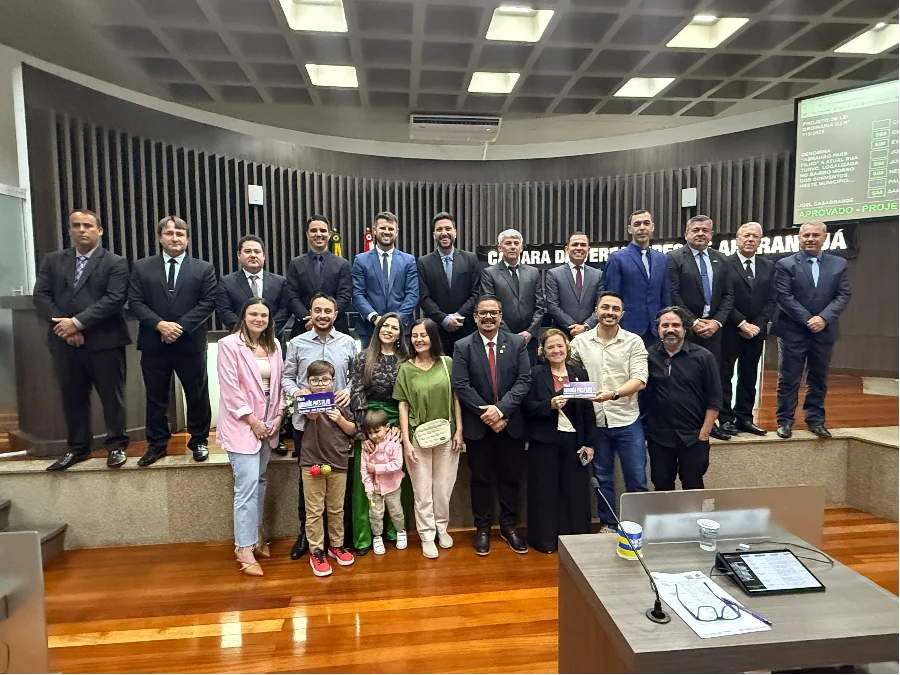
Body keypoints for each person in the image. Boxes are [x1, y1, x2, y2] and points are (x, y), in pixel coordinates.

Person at [34, 209, 131, 471]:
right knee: (73, 397)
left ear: (99, 230)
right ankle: (77, 448)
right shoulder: (53, 261)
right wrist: (66, 326)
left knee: (112, 397)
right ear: (69, 230)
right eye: (76, 225)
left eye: (88, 225)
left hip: (105, 341)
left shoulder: (115, 263)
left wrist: (77, 323)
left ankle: (116, 446)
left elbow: (114, 299)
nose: (82, 230)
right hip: (64, 341)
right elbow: (41, 295)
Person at [128, 215, 217, 466]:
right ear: (160, 237)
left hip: (190, 342)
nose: (174, 238)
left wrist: (180, 327)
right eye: (169, 233)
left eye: (180, 234)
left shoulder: (203, 268)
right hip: (154, 342)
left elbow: (208, 302)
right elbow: (135, 302)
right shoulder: (142, 267)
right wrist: (159, 324)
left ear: (187, 239)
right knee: (156, 396)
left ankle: (198, 441)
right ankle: (157, 444)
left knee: (197, 394)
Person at [452, 295, 532, 556]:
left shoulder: (517, 343)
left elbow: (524, 380)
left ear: (500, 316)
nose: (488, 317)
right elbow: (461, 385)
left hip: (510, 423)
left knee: (511, 478)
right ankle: (483, 528)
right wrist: (488, 414)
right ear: (475, 317)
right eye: (483, 313)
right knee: (481, 480)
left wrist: (500, 410)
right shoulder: (463, 346)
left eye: (493, 313)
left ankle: (509, 526)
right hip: (479, 427)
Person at [281, 293, 358, 560]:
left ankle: (337, 539)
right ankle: (308, 535)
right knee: (308, 481)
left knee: (337, 479)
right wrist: (296, 393)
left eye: (327, 311)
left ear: (335, 314)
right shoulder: (296, 343)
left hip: (337, 424)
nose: (322, 315)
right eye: (317, 310)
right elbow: (286, 377)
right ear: (310, 313)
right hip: (307, 424)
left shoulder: (348, 343)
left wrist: (348, 390)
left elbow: (356, 377)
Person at [216, 298, 285, 577]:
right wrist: (252, 421)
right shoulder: (228, 345)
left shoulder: (274, 344)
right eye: (253, 314)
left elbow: (279, 385)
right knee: (245, 488)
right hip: (243, 424)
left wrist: (279, 415)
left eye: (264, 315)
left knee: (260, 480)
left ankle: (256, 537)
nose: (259, 319)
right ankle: (243, 548)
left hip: (269, 424)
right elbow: (230, 389)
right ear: (243, 316)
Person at [570, 293, 648, 533]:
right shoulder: (579, 342)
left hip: (627, 420)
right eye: (605, 307)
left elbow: (640, 379)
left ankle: (637, 526)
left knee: (637, 478)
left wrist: (613, 394)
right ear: (596, 310)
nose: (610, 312)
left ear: (622, 314)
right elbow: (568, 375)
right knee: (602, 479)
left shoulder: (634, 342)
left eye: (615, 308)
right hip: (595, 422)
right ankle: (609, 525)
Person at [772, 221, 851, 440]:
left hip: (824, 331)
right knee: (789, 379)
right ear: (799, 237)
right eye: (806, 235)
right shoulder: (785, 264)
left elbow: (843, 295)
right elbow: (784, 297)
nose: (810, 239)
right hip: (793, 331)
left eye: (815, 235)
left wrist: (823, 318)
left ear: (824, 238)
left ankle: (815, 420)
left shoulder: (839, 264)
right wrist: (809, 320)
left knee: (818, 378)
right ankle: (785, 421)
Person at [393, 318, 463, 559]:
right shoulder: (405, 368)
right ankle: (426, 534)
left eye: (423, 335)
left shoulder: (447, 363)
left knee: (443, 488)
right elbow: (402, 405)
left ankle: (442, 528)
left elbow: (456, 398)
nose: (418, 339)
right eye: (414, 335)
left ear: (433, 337)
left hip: (446, 434)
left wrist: (459, 430)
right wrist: (406, 441)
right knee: (422, 490)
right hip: (417, 436)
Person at [524, 329, 594, 553]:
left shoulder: (579, 373)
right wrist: (549, 405)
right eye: (550, 347)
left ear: (567, 348)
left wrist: (589, 443)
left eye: (559, 346)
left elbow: (588, 411)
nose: (556, 350)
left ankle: (576, 540)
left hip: (575, 442)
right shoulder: (535, 374)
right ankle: (545, 540)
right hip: (544, 442)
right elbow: (526, 407)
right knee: (544, 491)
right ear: (543, 352)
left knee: (575, 491)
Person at [348, 312, 410, 555]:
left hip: (394, 423)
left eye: (394, 327)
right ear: (378, 329)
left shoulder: (405, 360)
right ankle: (365, 537)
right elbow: (356, 393)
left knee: (394, 479)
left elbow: (407, 396)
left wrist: (400, 426)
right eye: (386, 325)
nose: (389, 330)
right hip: (369, 423)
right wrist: (363, 432)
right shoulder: (363, 357)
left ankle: (395, 531)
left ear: (399, 334)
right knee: (367, 482)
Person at [667, 214, 733, 440]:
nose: (700, 234)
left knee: (713, 378)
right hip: (686, 331)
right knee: (685, 377)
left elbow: (728, 296)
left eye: (705, 230)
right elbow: (673, 293)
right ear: (686, 234)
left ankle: (711, 422)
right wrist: (693, 322)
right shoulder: (674, 258)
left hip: (714, 330)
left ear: (711, 234)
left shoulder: (722, 259)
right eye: (695, 230)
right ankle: (686, 421)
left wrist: (716, 322)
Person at [643, 307, 721, 491]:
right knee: (661, 486)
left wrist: (704, 434)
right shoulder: (648, 356)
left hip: (693, 436)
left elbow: (715, 398)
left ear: (685, 328)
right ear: (658, 329)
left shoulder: (704, 357)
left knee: (693, 487)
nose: (670, 329)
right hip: (659, 436)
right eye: (665, 325)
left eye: (676, 325)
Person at [299, 360, 357, 577]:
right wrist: (310, 402)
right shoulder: (305, 401)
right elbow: (310, 415)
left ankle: (337, 545)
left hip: (338, 461)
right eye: (315, 380)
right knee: (314, 511)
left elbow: (352, 430)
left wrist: (340, 419)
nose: (320, 384)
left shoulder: (341, 401)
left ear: (333, 381)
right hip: (312, 462)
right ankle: (316, 550)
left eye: (325, 380)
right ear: (308, 382)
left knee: (336, 509)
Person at [720, 222, 776, 437]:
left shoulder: (768, 266)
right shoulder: (724, 264)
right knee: (725, 375)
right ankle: (725, 419)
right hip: (730, 330)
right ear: (737, 239)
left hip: (756, 333)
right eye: (746, 235)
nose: (750, 239)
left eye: (755, 236)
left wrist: (758, 325)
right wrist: (741, 323)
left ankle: (744, 417)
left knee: (749, 375)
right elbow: (722, 298)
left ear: (760, 240)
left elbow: (772, 299)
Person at [603, 209, 671, 346]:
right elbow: (612, 297)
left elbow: (666, 296)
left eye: (646, 223)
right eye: (637, 224)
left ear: (652, 227)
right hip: (627, 329)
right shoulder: (617, 258)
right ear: (630, 229)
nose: (642, 228)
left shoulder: (662, 259)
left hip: (656, 329)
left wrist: (667, 323)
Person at [351, 211, 420, 347]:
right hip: (369, 329)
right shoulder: (361, 260)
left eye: (391, 229)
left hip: (401, 329)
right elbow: (357, 294)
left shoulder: (408, 260)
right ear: (374, 230)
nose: (387, 232)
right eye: (383, 228)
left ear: (396, 232)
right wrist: (374, 317)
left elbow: (413, 294)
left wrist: (395, 320)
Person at [417, 212, 481, 355]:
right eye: (439, 229)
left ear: (455, 232)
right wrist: (444, 319)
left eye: (448, 228)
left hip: (466, 329)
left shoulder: (470, 259)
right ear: (434, 234)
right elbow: (423, 297)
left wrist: (459, 316)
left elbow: (476, 293)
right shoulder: (423, 262)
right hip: (437, 331)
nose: (444, 233)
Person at [480, 229, 546, 364]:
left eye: (516, 243)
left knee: (529, 373)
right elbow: (489, 308)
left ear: (521, 248)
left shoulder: (533, 272)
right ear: (500, 248)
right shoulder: (489, 273)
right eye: (508, 243)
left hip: (529, 339)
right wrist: (510, 336)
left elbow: (540, 306)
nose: (512, 247)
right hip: (501, 337)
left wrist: (530, 332)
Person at [283, 215, 353, 336]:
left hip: (336, 327)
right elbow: (291, 295)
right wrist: (310, 319)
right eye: (314, 230)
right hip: (305, 326)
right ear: (307, 234)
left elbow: (345, 296)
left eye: (323, 230)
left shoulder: (342, 264)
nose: (318, 234)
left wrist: (326, 317)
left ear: (329, 234)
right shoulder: (296, 263)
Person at [216, 234, 290, 336]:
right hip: (239, 338)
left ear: (263, 256)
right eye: (247, 251)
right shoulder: (227, 282)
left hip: (273, 338)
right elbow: (224, 311)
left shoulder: (280, 282)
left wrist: (268, 332)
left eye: (257, 251)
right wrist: (247, 332)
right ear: (239, 255)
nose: (253, 255)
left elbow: (284, 310)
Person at [360, 410, 407, 556]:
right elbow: (364, 470)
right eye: (370, 433)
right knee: (375, 514)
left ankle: (400, 531)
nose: (374, 436)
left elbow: (397, 464)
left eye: (376, 431)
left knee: (396, 511)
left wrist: (376, 468)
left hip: (392, 486)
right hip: (375, 488)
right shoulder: (367, 448)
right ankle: (377, 537)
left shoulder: (394, 443)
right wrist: (368, 487)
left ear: (387, 427)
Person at [545, 231, 602, 339]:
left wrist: (586, 327)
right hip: (562, 335)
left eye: (583, 245)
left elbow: (600, 306)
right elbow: (552, 306)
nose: (579, 248)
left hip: (590, 335)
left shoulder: (598, 275)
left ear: (588, 249)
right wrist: (574, 328)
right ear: (566, 249)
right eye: (575, 244)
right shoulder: (554, 274)